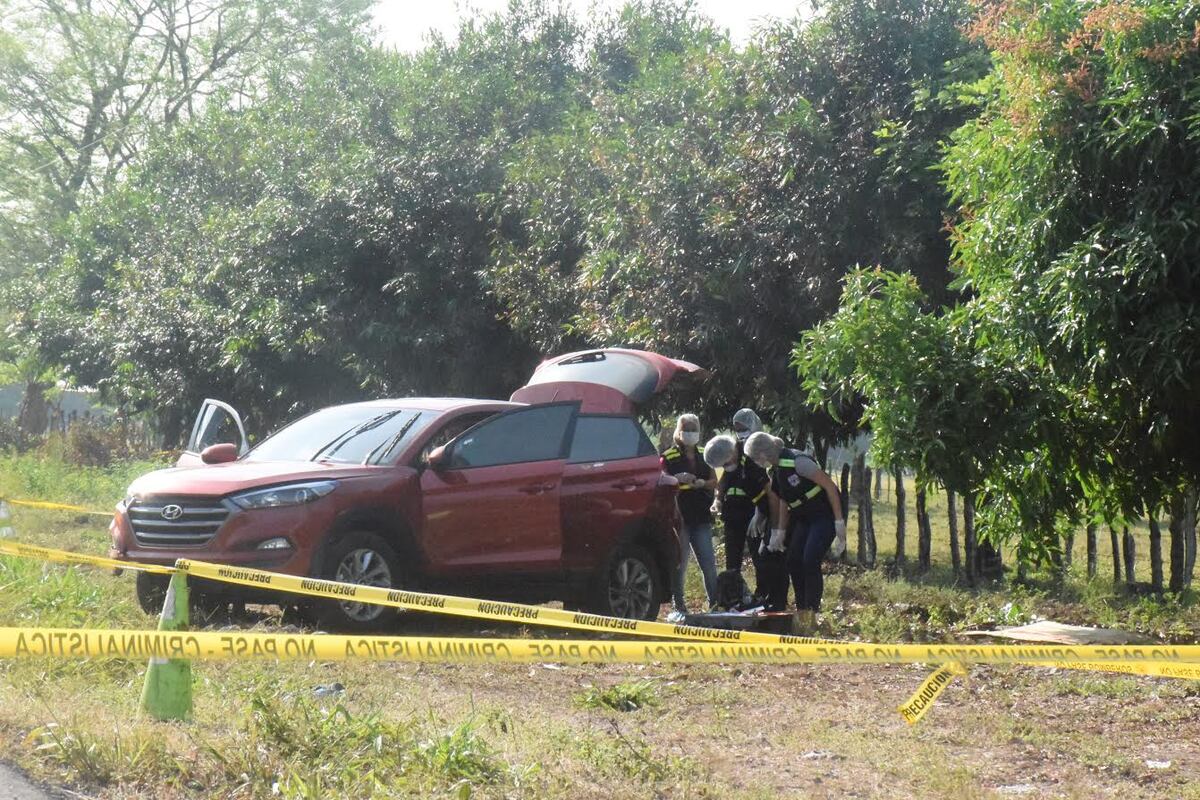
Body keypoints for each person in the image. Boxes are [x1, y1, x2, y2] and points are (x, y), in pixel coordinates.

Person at [743, 432, 847, 631]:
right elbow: (784, 499)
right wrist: (780, 532)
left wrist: (839, 522)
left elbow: (830, 488)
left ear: (763, 454)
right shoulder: (776, 471)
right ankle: (802, 610)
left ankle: (812, 612)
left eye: (756, 458)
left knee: (810, 559)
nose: (756, 462)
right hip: (804, 517)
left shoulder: (798, 462)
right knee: (793, 560)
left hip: (823, 515)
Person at [704, 408, 771, 595]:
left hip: (753, 510)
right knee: (732, 559)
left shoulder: (758, 451)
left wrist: (760, 512)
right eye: (736, 428)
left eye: (742, 427)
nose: (740, 432)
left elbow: (767, 486)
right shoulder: (729, 452)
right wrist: (718, 500)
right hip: (732, 510)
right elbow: (725, 478)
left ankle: (762, 593)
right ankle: (732, 595)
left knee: (759, 556)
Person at [661, 413, 718, 620]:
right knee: (681, 563)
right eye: (687, 429)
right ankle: (679, 604)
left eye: (694, 429)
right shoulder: (669, 456)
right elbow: (661, 479)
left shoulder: (706, 454)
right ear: (679, 431)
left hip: (701, 515)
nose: (691, 433)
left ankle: (715, 603)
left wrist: (703, 484)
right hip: (680, 515)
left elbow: (714, 481)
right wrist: (676, 478)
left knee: (709, 564)